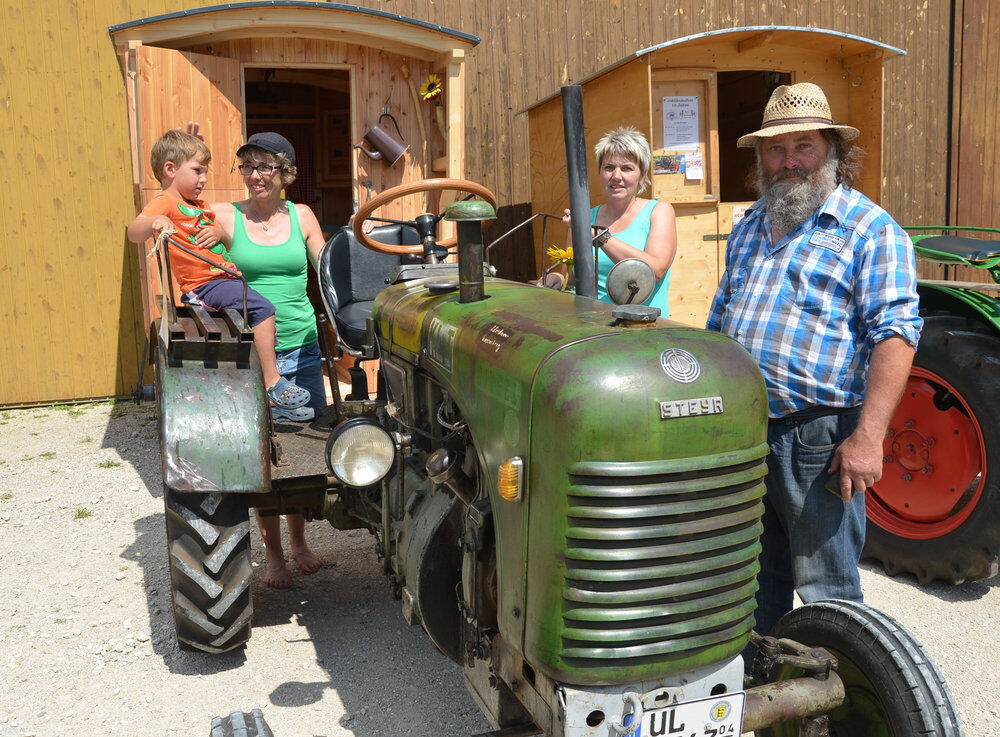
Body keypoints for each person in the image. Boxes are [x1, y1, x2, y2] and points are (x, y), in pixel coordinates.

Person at [705, 83, 922, 641]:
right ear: (760, 159)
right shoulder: (752, 224)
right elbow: (723, 316)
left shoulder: (870, 230)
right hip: (746, 431)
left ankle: (837, 710)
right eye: (775, 150)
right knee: (753, 579)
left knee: (828, 590)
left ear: (833, 150)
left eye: (804, 145)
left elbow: (896, 334)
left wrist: (869, 436)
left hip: (819, 439)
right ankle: (764, 701)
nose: (789, 161)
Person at [126, 130, 312, 420]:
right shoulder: (165, 203)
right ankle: (272, 381)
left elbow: (219, 236)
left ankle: (276, 392)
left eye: (205, 172)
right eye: (198, 171)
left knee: (256, 307)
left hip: (225, 281)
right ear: (170, 170)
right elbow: (133, 232)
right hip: (205, 285)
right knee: (262, 307)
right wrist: (153, 222)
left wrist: (220, 232)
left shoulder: (197, 206)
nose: (204, 179)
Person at [212, 132, 329, 589]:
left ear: (285, 173)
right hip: (251, 356)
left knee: (302, 454)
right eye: (247, 166)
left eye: (265, 166)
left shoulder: (302, 216)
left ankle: (299, 542)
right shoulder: (225, 216)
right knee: (260, 459)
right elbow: (177, 220)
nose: (255, 175)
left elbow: (327, 265)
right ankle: (274, 555)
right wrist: (184, 155)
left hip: (301, 346)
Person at [558, 126, 677, 315]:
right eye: (609, 168)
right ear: (600, 173)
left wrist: (598, 237)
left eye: (627, 168)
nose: (616, 176)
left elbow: (654, 271)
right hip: (596, 327)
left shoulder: (659, 211)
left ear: (642, 176)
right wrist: (555, 279)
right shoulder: (586, 218)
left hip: (645, 328)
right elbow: (570, 277)